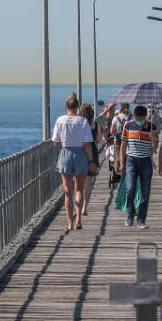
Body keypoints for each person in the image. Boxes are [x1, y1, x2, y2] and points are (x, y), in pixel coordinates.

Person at [52, 94, 97, 232]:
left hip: (66, 153)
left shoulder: (60, 120)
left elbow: (56, 141)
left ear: (66, 107)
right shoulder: (83, 121)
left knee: (67, 191)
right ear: (77, 107)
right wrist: (91, 161)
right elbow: (87, 144)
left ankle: (70, 223)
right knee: (79, 189)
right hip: (81, 155)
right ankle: (78, 219)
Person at [119, 104, 158, 229]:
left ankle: (141, 219)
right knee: (130, 189)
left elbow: (155, 147)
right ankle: (130, 213)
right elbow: (123, 145)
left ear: (145, 116)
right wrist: (121, 163)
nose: (139, 120)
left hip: (146, 161)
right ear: (134, 116)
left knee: (145, 193)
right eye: (137, 118)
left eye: (141, 118)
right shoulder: (128, 125)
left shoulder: (152, 127)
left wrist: (153, 138)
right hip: (131, 160)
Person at [78, 103, 100, 216]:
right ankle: (85, 207)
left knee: (78, 182)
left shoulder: (78, 124)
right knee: (88, 182)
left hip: (80, 153)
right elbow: (98, 140)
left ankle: (79, 205)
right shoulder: (95, 124)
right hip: (93, 152)